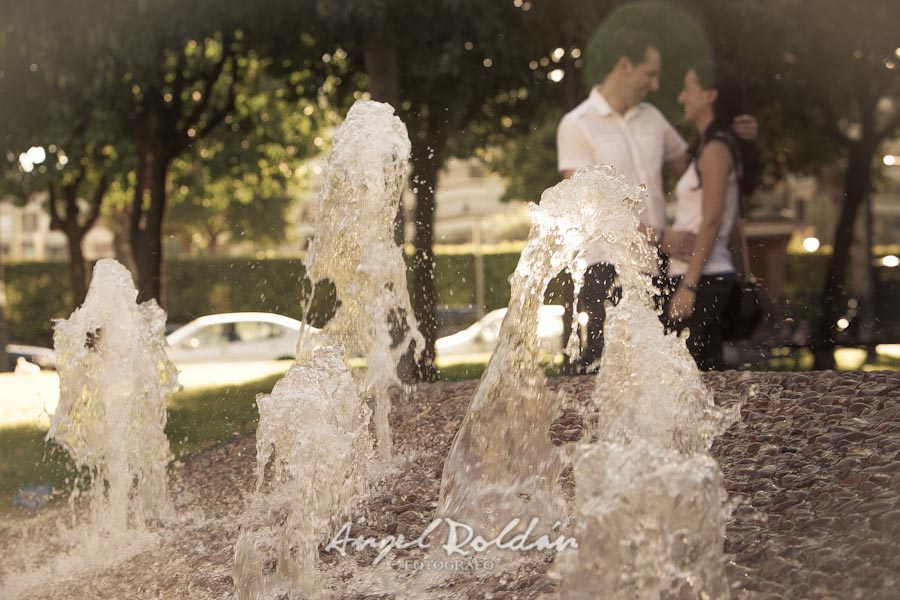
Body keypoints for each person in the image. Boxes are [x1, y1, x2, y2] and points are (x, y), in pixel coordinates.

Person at [556, 30, 755, 371]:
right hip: (609, 269)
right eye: (649, 73)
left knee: (663, 376)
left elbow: (699, 170)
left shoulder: (652, 117)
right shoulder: (577, 125)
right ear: (624, 66)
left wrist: (735, 137)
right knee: (609, 374)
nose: (655, 83)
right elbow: (591, 208)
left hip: (662, 270)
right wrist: (660, 238)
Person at [664, 61, 758, 370]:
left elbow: (713, 220)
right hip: (700, 276)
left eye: (688, 89)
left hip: (705, 278)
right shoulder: (710, 147)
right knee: (694, 374)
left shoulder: (717, 150)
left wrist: (688, 286)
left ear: (710, 95)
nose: (682, 97)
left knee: (696, 375)